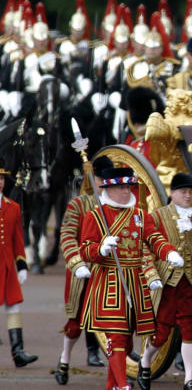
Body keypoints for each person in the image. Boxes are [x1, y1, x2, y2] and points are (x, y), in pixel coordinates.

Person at [79, 166, 184, 390]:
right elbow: (85, 250)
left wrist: (169, 252)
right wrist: (102, 248)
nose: (126, 191)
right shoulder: (96, 216)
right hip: (109, 282)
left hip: (135, 283)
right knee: (116, 337)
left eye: (128, 186)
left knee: (125, 341)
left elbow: (154, 238)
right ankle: (122, 385)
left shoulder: (139, 215)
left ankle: (112, 385)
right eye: (120, 187)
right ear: (109, 189)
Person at [138, 173, 192, 390]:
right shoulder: (158, 216)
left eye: (191, 192)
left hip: (191, 282)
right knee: (162, 331)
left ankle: (189, 379)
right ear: (172, 193)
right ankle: (145, 361)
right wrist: (152, 275)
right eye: (183, 192)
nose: (188, 196)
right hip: (167, 283)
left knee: (191, 329)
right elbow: (146, 248)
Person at [55, 155, 114, 385]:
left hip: (108, 271)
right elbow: (68, 235)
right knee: (75, 323)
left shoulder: (118, 203)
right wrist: (77, 263)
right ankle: (65, 359)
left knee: (115, 322)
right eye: (100, 179)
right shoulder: (79, 204)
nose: (103, 183)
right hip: (84, 270)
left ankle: (119, 367)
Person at [0, 159, 37, 367]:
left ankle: (18, 352)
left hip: (6, 266)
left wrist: (21, 265)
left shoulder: (12, 207)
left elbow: (17, 239)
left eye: (2, 179)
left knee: (13, 306)